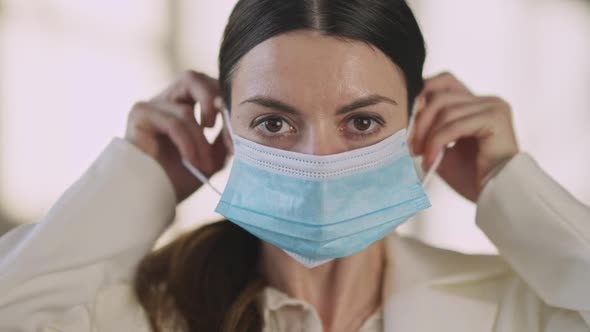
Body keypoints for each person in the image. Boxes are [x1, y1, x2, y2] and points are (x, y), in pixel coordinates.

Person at [1, 0, 589, 331]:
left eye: (361, 122)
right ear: (224, 128)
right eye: (274, 123)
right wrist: (137, 175)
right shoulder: (136, 311)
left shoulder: (518, 310)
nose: (319, 161)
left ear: (418, 125)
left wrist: (508, 180)